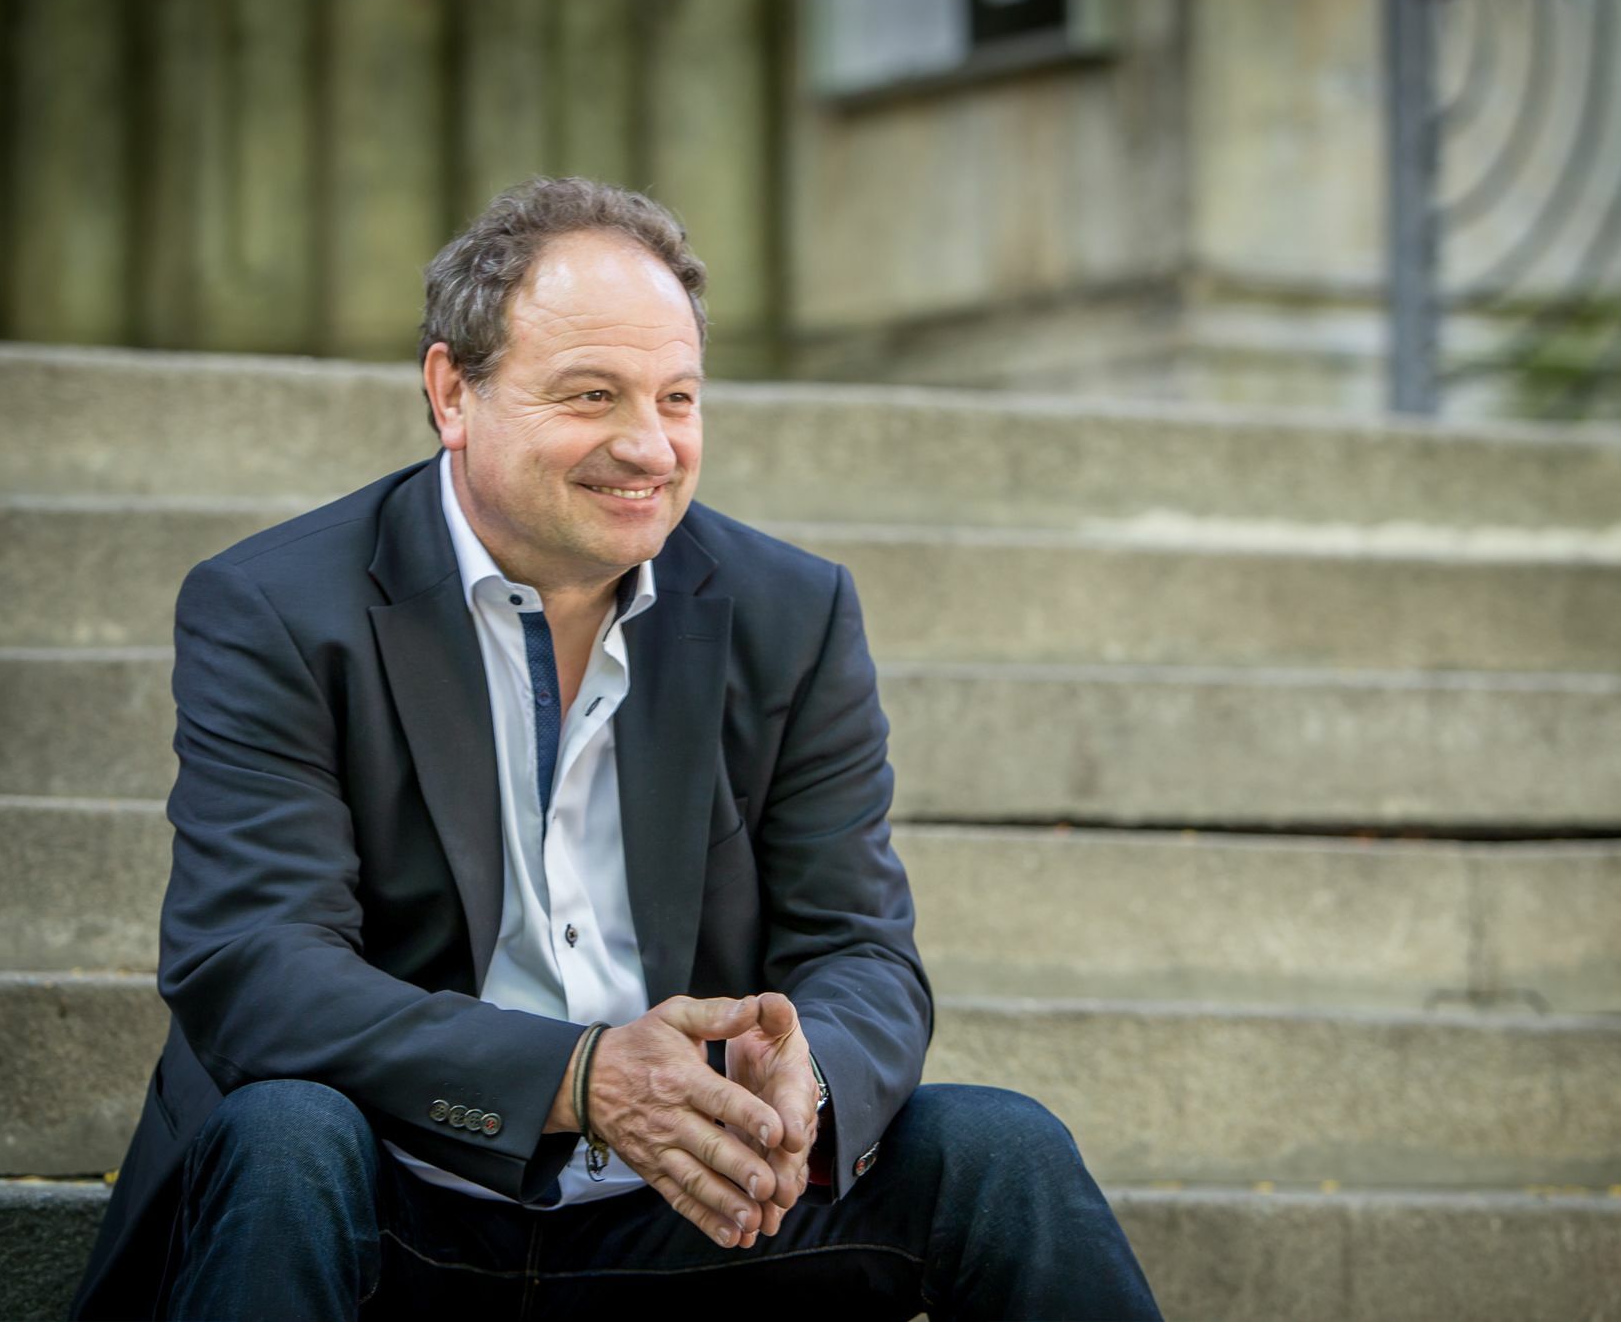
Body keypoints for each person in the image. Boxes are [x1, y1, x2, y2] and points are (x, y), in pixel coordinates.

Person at [71, 176, 1159, 1320]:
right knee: (286, 1130)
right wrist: (578, 1079)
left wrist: (809, 1072)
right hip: (391, 1192)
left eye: (676, 398)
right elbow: (253, 967)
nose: (648, 447)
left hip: (692, 1210)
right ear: (452, 392)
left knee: (1000, 1149)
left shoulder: (791, 614)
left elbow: (859, 947)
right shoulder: (279, 607)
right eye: (592, 395)